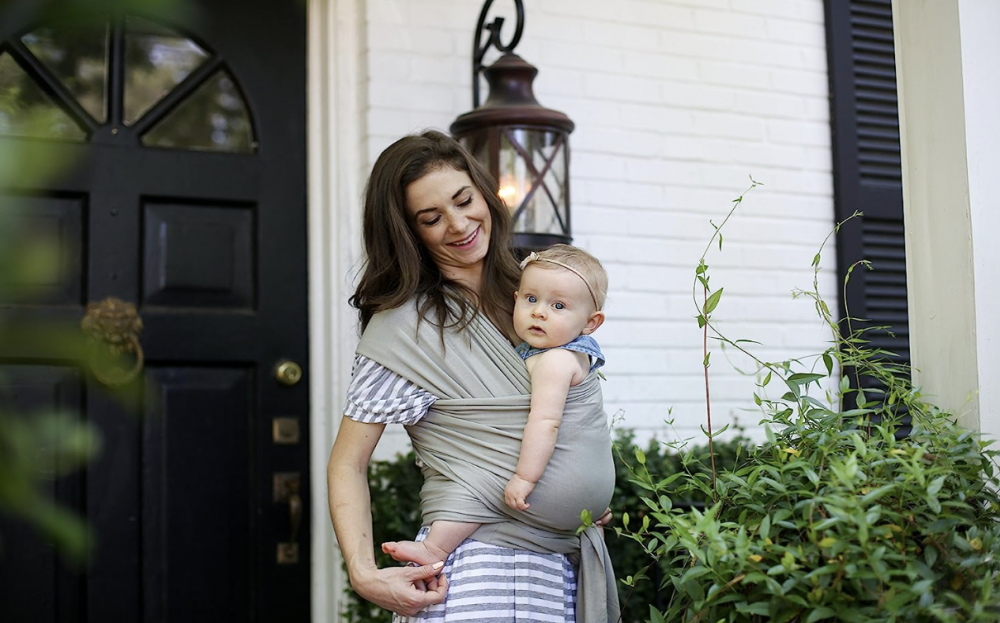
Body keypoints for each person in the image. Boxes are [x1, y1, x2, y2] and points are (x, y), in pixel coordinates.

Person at [327, 130, 619, 623]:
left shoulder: (534, 297)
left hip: (560, 573)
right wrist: (363, 572)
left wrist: (581, 493)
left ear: (486, 194)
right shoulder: (405, 329)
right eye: (431, 218)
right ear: (408, 231)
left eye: (465, 200)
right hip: (478, 575)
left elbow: (573, 423)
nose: (459, 225)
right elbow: (348, 463)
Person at [380, 244, 609, 566]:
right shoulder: (571, 354)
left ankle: (434, 549)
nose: (540, 311)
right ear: (516, 300)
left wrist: (524, 479)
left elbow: (546, 423)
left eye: (558, 305)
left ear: (590, 323)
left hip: (545, 481)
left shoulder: (555, 361)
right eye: (531, 299)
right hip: (586, 499)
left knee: (479, 485)